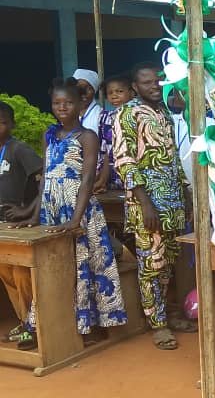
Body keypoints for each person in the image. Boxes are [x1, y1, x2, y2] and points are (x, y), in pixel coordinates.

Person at [12, 77, 127, 350]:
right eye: (56, 103)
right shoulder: (49, 135)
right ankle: (45, 324)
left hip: (79, 210)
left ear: (80, 103)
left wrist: (76, 220)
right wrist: (34, 215)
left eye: (68, 103)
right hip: (52, 208)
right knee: (53, 267)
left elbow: (87, 180)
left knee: (85, 266)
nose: (62, 108)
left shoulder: (87, 137)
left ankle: (91, 325)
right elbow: (46, 177)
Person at [114, 62, 192, 350]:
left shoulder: (164, 113)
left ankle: (167, 314)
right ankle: (157, 325)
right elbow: (124, 161)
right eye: (147, 82)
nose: (155, 86)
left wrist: (185, 191)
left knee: (168, 262)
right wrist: (145, 204)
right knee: (151, 264)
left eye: (158, 80)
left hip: (172, 202)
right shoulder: (127, 113)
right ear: (135, 87)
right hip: (146, 205)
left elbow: (172, 157)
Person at [0, 100, 44, 348]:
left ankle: (34, 325)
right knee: (6, 272)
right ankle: (23, 320)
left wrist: (28, 210)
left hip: (19, 224)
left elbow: (45, 179)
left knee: (21, 274)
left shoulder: (19, 149)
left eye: (2, 122)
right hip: (1, 225)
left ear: (12, 124)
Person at [73, 68, 103, 133]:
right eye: (79, 87)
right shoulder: (67, 113)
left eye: (89, 88)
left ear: (94, 91)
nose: (83, 92)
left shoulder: (101, 116)